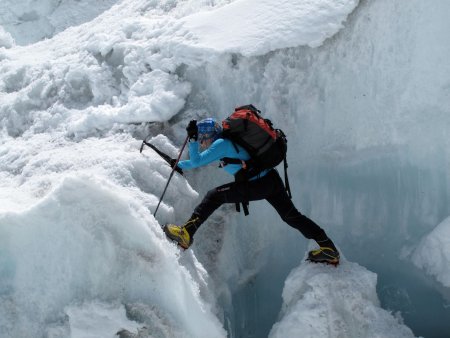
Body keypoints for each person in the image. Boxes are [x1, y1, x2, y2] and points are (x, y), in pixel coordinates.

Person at [163, 118, 340, 265]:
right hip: (271, 179)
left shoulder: (221, 144)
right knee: (291, 216)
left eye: (202, 138)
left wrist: (192, 141)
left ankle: (185, 233)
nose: (202, 142)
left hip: (258, 184)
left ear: (209, 135)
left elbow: (196, 162)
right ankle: (328, 247)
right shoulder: (227, 142)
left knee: (214, 196)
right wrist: (178, 164)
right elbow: (197, 161)